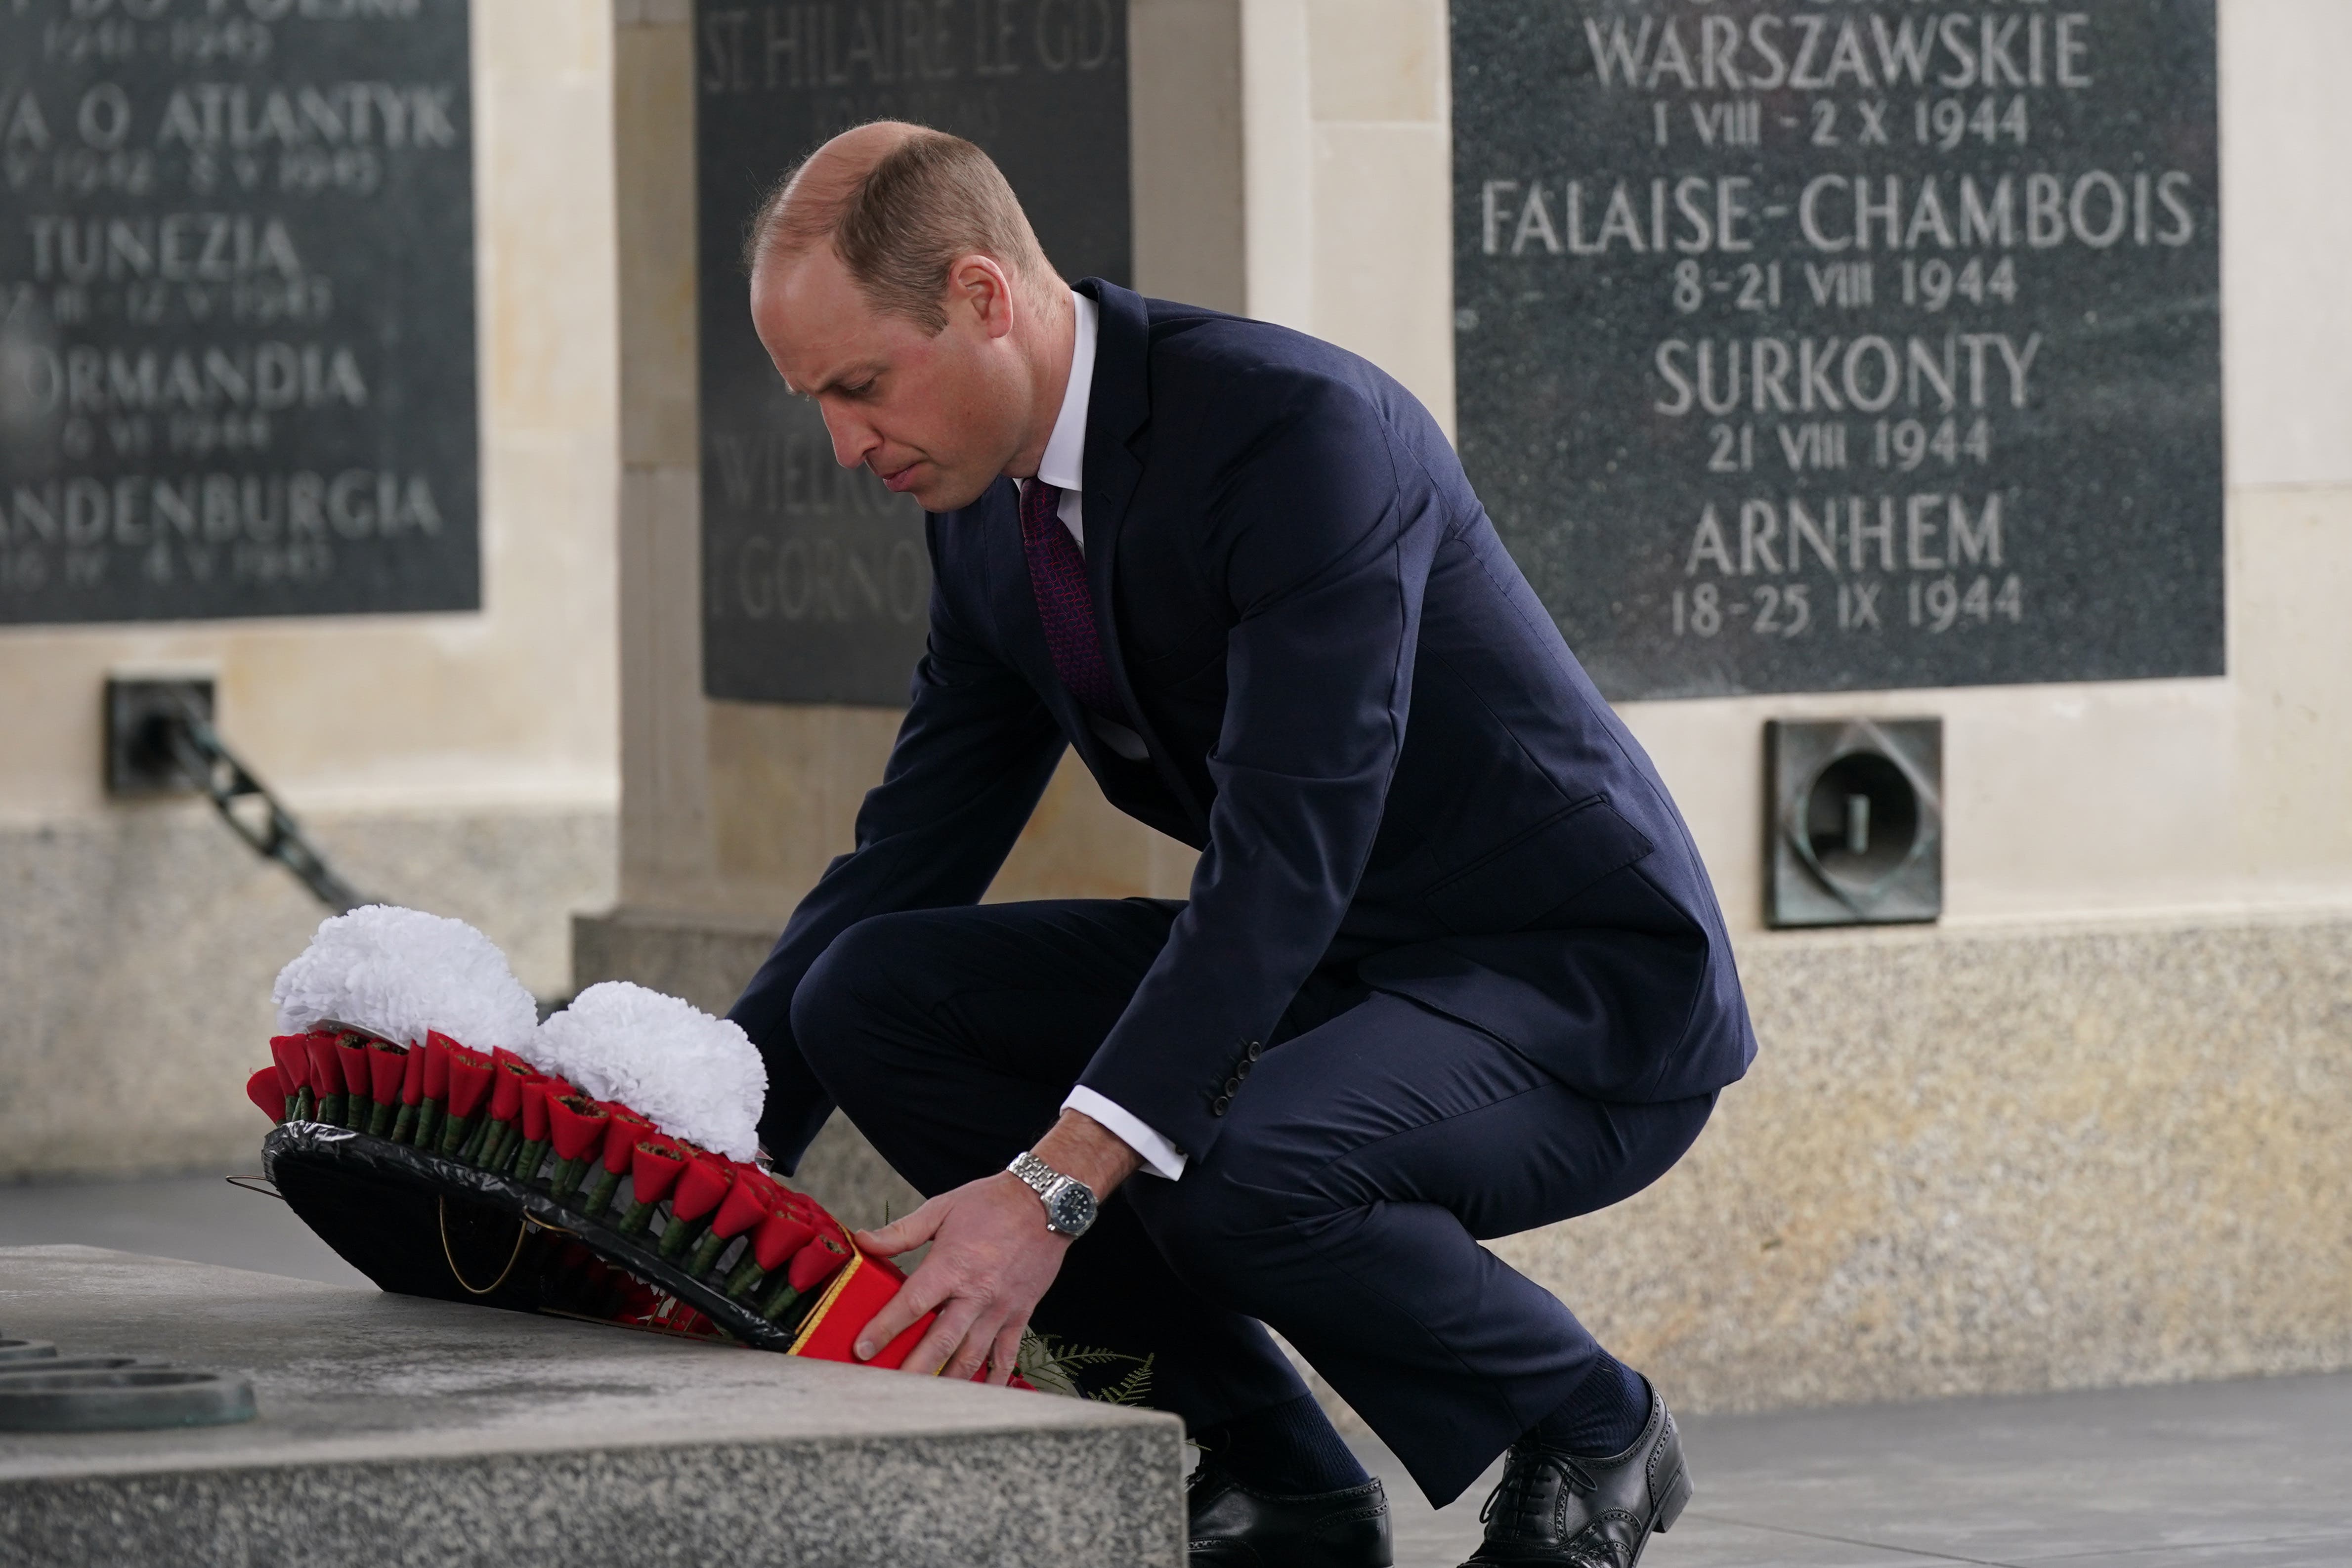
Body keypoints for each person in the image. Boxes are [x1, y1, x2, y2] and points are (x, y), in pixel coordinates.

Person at [727, 121, 1756, 1568]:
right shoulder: (983, 517)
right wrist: (695, 1147)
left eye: (859, 384)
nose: (843, 443)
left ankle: (1595, 1424)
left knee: (1231, 1165)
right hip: (1334, 975)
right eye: (815, 401)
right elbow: (906, 854)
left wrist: (1053, 1186)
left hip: (1566, 992)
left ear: (979, 296)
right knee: (872, 996)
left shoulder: (1294, 432)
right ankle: (1275, 1475)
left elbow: (1289, 847)